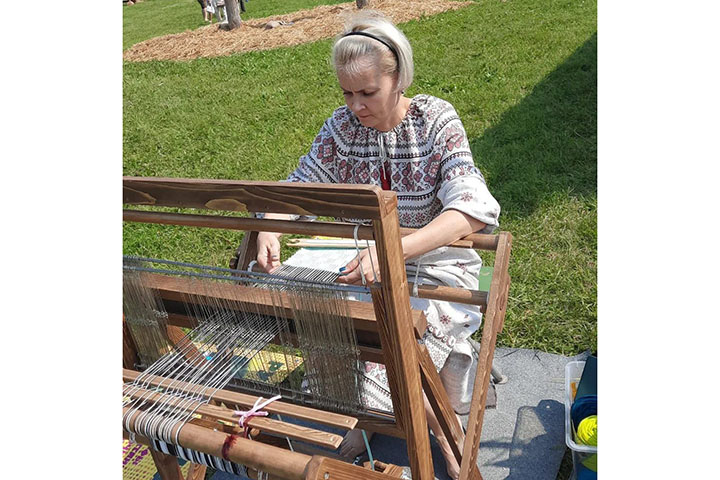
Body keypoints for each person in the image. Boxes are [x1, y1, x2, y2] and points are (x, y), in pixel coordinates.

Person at [254, 11, 500, 480]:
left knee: (398, 342)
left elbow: (471, 207)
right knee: (338, 325)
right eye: (347, 93)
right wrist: (272, 225)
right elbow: (302, 187)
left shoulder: (435, 120)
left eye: (368, 92)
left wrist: (395, 252)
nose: (356, 106)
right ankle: (361, 418)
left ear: (398, 78)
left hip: (436, 264)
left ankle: (445, 438)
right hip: (363, 263)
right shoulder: (342, 129)